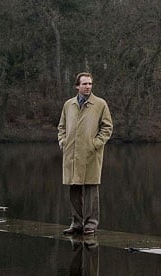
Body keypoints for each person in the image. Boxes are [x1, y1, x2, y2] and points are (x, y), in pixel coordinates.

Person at [58, 72, 113, 235]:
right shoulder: (69, 104)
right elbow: (61, 126)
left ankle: (91, 224)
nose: (88, 86)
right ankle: (77, 223)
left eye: (90, 84)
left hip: (91, 153)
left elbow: (107, 127)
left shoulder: (100, 104)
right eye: (84, 84)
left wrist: (95, 144)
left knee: (91, 189)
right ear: (77, 86)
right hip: (71, 154)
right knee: (74, 189)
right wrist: (63, 142)